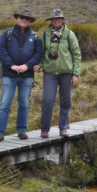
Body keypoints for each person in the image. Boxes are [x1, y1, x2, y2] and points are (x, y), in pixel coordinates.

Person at [0, 9, 43, 143]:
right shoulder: (7, 33)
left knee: (24, 104)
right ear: (17, 18)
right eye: (22, 17)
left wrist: (27, 66)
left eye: (27, 18)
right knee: (4, 104)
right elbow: (0, 50)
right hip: (9, 74)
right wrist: (12, 66)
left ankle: (21, 130)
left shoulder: (35, 36)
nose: (24, 19)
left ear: (30, 20)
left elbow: (38, 54)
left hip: (27, 76)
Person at [33, 9, 81, 138]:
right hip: (50, 72)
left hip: (66, 73)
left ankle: (63, 128)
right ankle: (44, 129)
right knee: (48, 99)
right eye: (54, 18)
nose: (57, 20)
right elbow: (42, 54)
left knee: (66, 101)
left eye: (59, 18)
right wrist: (40, 65)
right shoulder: (44, 35)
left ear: (62, 19)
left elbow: (76, 55)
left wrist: (75, 74)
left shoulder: (69, 34)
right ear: (51, 20)